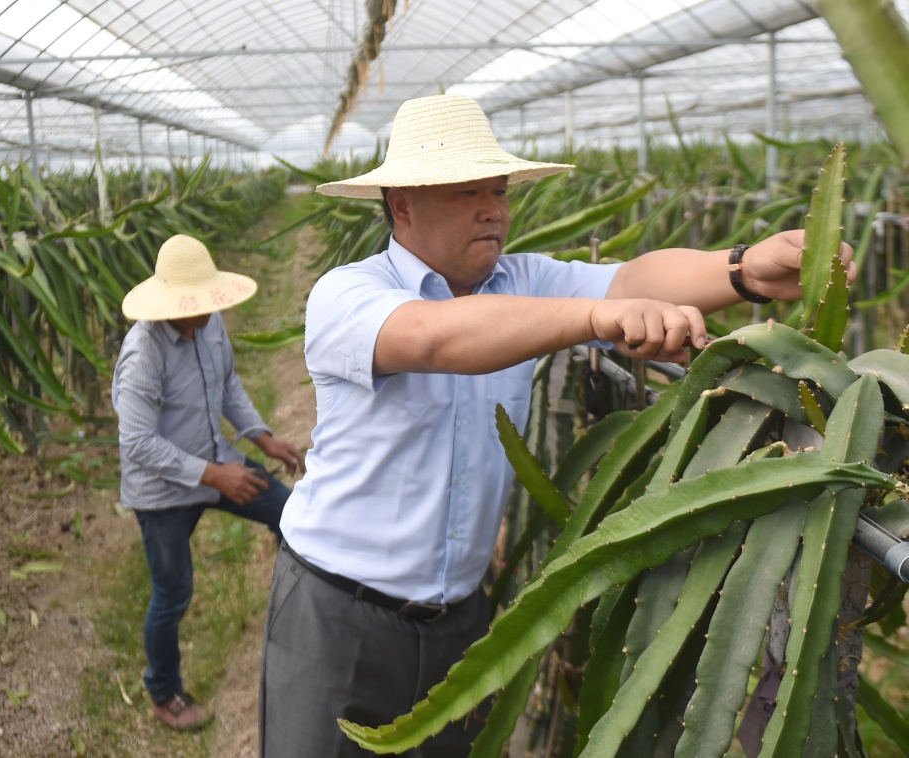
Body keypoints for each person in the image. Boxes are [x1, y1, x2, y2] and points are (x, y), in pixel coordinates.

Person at [259, 94, 856, 757]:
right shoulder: (347, 294)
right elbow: (434, 340)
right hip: (336, 612)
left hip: (461, 619)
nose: (494, 209)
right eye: (467, 193)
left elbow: (630, 277)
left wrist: (741, 270)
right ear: (402, 205)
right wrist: (595, 320)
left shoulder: (522, 280)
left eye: (499, 190)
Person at [113, 234, 306, 731]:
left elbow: (227, 385)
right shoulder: (143, 355)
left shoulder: (210, 323)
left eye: (208, 300)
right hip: (162, 492)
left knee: (292, 514)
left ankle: (306, 624)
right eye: (195, 304)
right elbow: (137, 444)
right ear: (170, 304)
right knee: (172, 592)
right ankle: (163, 692)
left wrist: (263, 439)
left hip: (213, 461)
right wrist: (215, 474)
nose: (206, 311)